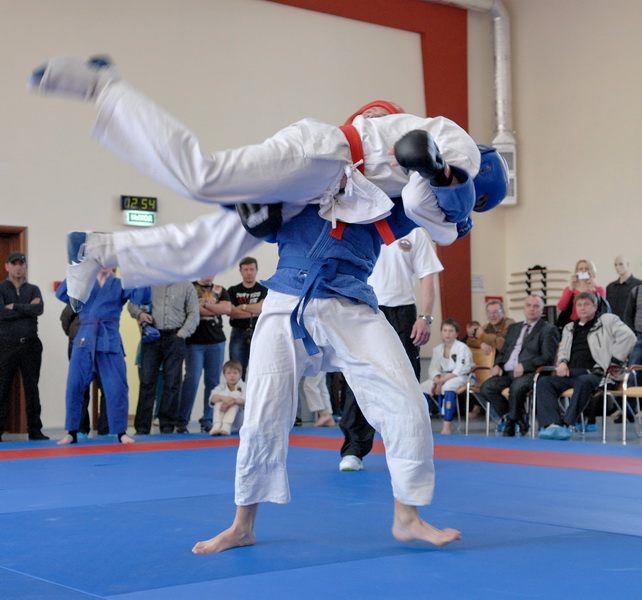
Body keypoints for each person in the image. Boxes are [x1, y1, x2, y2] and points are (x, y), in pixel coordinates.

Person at [28, 56, 509, 551]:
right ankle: (242, 524)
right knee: (262, 412)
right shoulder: (317, 167)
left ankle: (407, 515)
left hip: (349, 305)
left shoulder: (397, 200)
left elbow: (439, 217)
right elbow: (236, 226)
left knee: (404, 399)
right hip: (285, 302)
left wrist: (444, 178)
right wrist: (254, 209)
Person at [339, 227, 442, 470]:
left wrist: (426, 317)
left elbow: (427, 276)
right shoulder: (360, 224)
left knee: (406, 384)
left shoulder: (414, 231)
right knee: (359, 380)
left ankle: (411, 447)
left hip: (403, 314)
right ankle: (353, 450)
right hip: (365, 308)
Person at [56, 268, 147, 444]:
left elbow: (141, 297)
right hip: (85, 338)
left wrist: (138, 271)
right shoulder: (84, 283)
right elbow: (62, 294)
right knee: (75, 385)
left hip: (109, 337)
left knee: (117, 387)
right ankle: (72, 432)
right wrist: (78, 269)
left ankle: (120, 432)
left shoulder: (120, 284)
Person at [536, 292, 635, 440]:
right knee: (544, 382)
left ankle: (566, 424)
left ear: (595, 306)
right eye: (579, 305)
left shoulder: (607, 320)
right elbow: (563, 350)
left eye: (587, 304)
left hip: (599, 374)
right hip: (572, 374)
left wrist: (614, 362)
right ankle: (552, 425)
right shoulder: (569, 327)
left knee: (584, 381)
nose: (582, 308)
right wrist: (562, 362)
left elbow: (629, 337)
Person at [479, 295, 560, 437]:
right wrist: (497, 364)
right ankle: (518, 417)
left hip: (531, 373)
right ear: (524, 308)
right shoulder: (514, 328)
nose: (531, 309)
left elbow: (547, 357)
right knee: (486, 387)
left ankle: (511, 422)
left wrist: (525, 366)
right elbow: (503, 351)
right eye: (528, 305)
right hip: (507, 372)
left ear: (542, 310)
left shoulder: (548, 329)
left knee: (516, 387)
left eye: (536, 306)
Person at [128, 283, 199, 434]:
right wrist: (140, 314)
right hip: (152, 336)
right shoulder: (148, 284)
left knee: (172, 383)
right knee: (147, 382)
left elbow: (194, 313)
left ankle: (167, 426)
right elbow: (132, 304)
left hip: (175, 337)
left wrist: (182, 334)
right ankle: (142, 428)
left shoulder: (187, 286)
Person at [0, 251, 48, 441]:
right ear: (7, 266)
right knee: (2, 388)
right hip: (6, 345)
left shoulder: (34, 289)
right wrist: (27, 309)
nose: (18, 267)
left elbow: (39, 309)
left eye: (21, 264)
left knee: (32, 389)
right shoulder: (1, 288)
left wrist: (14, 306)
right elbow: (1, 313)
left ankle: (35, 430)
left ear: (26, 267)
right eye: (14, 264)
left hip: (30, 345)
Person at [177, 277, 231, 433]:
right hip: (194, 342)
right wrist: (215, 307)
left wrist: (204, 305)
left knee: (213, 381)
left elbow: (227, 309)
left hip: (216, 341)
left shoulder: (220, 289)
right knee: (192, 379)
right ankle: (182, 420)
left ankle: (207, 419)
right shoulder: (190, 288)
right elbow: (189, 309)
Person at [60, 298, 108, 436]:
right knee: (80, 387)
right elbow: (65, 317)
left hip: (103, 344)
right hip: (80, 343)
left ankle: (106, 429)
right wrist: (74, 333)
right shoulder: (82, 295)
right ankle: (80, 428)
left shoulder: (109, 297)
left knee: (107, 387)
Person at [421, 319, 472, 434]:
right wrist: (437, 379)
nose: (447, 333)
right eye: (445, 330)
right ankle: (424, 423)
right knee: (423, 387)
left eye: (451, 331)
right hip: (441, 377)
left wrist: (441, 382)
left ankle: (447, 426)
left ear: (456, 333)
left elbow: (460, 369)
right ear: (441, 333)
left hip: (459, 377)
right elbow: (433, 368)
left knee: (448, 387)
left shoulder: (462, 348)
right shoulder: (437, 349)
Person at [227, 258, 268, 380]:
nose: (249, 272)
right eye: (246, 269)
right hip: (238, 332)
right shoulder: (233, 290)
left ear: (256, 270)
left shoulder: (263, 290)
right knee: (237, 370)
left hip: (259, 332)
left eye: (252, 269)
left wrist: (243, 307)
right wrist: (255, 310)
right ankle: (240, 393)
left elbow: (261, 309)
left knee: (260, 369)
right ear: (240, 271)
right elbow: (232, 312)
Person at [556, 259, 607, 328]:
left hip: (593, 324)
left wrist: (593, 291)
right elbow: (561, 307)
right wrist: (571, 289)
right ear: (577, 272)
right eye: (581, 269)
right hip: (573, 324)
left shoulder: (599, 289)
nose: (583, 271)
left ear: (591, 272)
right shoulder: (570, 289)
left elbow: (600, 308)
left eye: (587, 269)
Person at [209, 360, 245, 436]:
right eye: (229, 373)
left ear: (240, 374)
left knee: (235, 400)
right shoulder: (221, 387)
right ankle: (217, 425)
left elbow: (245, 400)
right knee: (219, 400)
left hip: (238, 421)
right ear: (224, 375)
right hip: (221, 420)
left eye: (235, 373)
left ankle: (226, 425)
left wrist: (231, 401)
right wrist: (223, 398)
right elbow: (213, 398)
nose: (232, 375)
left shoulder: (245, 386)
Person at [606, 255, 642, 320]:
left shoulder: (638, 285)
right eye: (615, 265)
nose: (617, 267)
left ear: (627, 264)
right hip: (614, 323)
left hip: (632, 324)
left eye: (621, 264)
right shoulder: (610, 287)